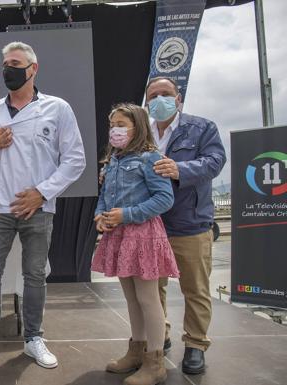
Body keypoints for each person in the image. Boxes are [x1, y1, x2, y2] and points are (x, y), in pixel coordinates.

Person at [0, 41, 86, 369]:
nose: (8, 69)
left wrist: (42, 193)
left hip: (38, 208)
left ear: (33, 69)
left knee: (34, 275)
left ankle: (33, 338)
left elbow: (75, 160)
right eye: (4, 64)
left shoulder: (57, 108)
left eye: (14, 63)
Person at [92, 103, 179, 385]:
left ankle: (155, 362)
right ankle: (136, 352)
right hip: (119, 234)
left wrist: (127, 214)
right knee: (131, 298)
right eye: (112, 125)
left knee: (147, 298)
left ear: (137, 127)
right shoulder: (113, 160)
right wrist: (100, 216)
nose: (115, 130)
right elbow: (105, 196)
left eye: (121, 125)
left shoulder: (150, 158)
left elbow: (164, 198)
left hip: (142, 235)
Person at [145, 76, 226, 374]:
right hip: (152, 225)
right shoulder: (143, 133)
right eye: (153, 96)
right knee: (154, 288)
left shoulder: (202, 127)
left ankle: (195, 344)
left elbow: (215, 161)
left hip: (190, 223)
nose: (159, 100)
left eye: (165, 94)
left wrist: (180, 169)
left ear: (178, 98)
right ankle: (160, 334)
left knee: (195, 289)